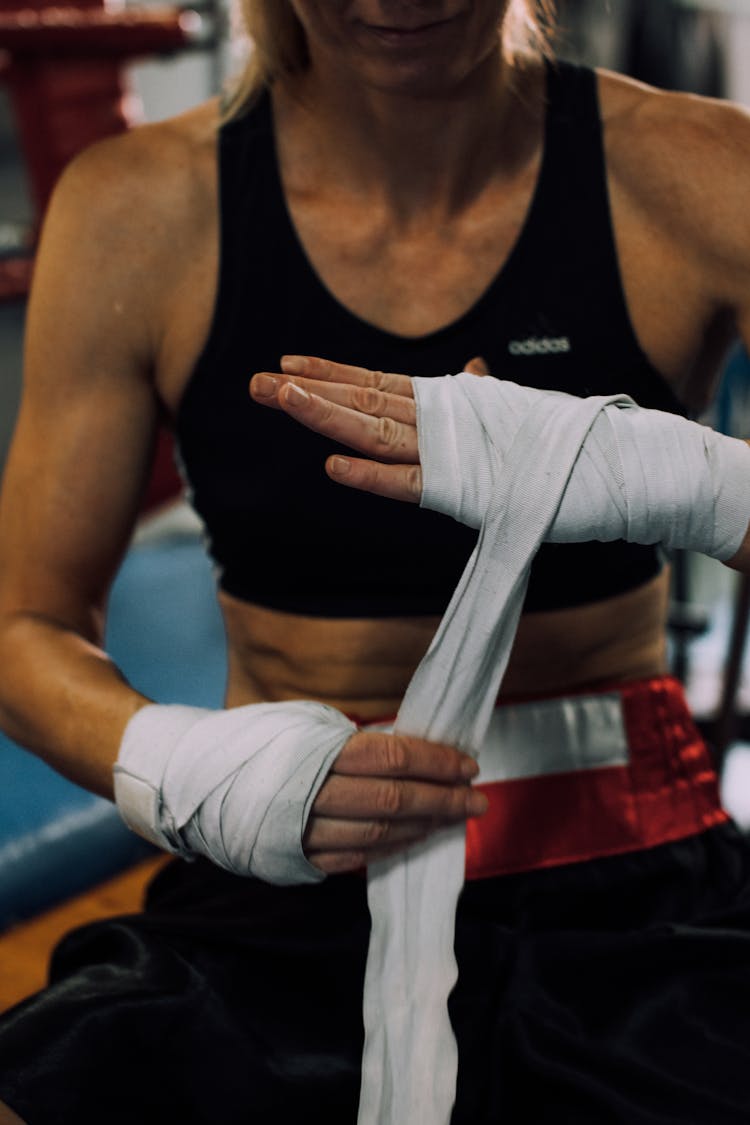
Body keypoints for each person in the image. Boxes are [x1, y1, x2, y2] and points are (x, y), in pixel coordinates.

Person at [1, 0, 750, 1121]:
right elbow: (25, 628)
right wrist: (195, 767)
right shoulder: (137, 207)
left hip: (640, 882)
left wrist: (679, 479)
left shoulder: (701, 172)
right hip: (280, 883)